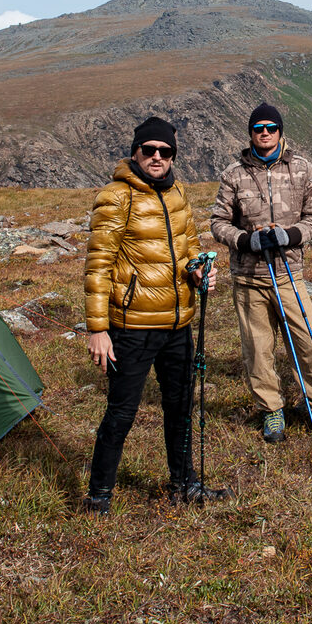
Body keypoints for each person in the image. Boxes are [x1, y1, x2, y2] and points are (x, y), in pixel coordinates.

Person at [82, 116, 228, 514]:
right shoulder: (116, 196)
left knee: (180, 405)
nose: (158, 157)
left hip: (177, 323)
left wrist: (199, 271)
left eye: (165, 151)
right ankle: (99, 497)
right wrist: (98, 329)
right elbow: (98, 266)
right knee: (122, 412)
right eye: (150, 150)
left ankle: (185, 484)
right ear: (136, 152)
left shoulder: (177, 192)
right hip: (131, 327)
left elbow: (189, 248)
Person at [210, 103, 312, 442]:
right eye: (258, 128)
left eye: (270, 127)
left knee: (309, 343)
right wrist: (245, 239)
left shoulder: (301, 168)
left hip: (289, 276)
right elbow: (218, 223)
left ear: (280, 131)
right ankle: (272, 412)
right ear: (250, 133)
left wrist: (291, 235)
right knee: (258, 349)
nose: (264, 133)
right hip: (249, 278)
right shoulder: (233, 173)